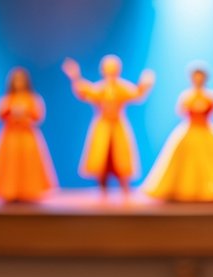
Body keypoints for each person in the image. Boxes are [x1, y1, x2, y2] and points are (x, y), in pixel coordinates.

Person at [143, 63, 213, 202]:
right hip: (190, 130)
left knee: (212, 163)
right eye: (196, 77)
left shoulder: (212, 97)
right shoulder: (187, 96)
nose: (198, 80)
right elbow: (181, 110)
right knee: (185, 165)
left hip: (206, 130)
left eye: (200, 77)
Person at [61, 55, 155, 196]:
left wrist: (145, 84)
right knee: (101, 158)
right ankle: (102, 192)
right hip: (103, 126)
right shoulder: (100, 88)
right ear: (103, 70)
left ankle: (126, 193)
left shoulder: (122, 87)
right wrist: (75, 77)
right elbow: (85, 91)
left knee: (121, 159)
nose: (111, 72)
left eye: (113, 69)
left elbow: (136, 94)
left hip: (118, 125)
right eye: (108, 69)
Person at [0, 67, 56, 203]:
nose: (19, 83)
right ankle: (9, 190)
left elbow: (38, 115)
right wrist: (11, 114)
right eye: (16, 80)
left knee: (28, 163)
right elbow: (0, 115)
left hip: (27, 135)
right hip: (10, 136)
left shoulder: (32, 98)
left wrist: (24, 117)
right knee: (11, 164)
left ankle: (29, 191)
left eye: (21, 79)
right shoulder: (7, 99)